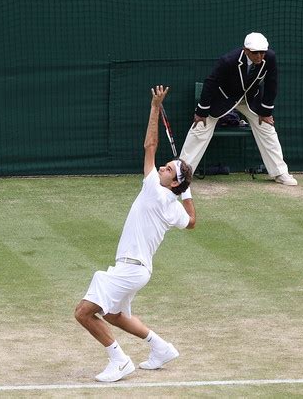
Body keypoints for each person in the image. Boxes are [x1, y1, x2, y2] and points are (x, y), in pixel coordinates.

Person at [75, 85, 196, 383]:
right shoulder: (173, 205)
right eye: (165, 167)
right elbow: (192, 221)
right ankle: (161, 348)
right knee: (115, 315)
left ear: (170, 182)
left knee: (83, 313)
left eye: (167, 169)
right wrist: (187, 193)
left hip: (131, 269)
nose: (162, 168)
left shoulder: (155, 190)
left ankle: (119, 360)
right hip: (136, 269)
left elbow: (149, 147)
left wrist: (155, 107)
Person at [180, 32, 297, 185]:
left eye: (263, 52)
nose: (260, 56)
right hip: (223, 99)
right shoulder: (228, 60)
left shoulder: (270, 58)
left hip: (251, 100)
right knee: (200, 127)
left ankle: (280, 173)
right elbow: (210, 83)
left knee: (267, 128)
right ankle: (181, 174)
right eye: (255, 52)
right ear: (245, 50)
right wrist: (201, 112)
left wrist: (266, 112)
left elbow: (271, 84)